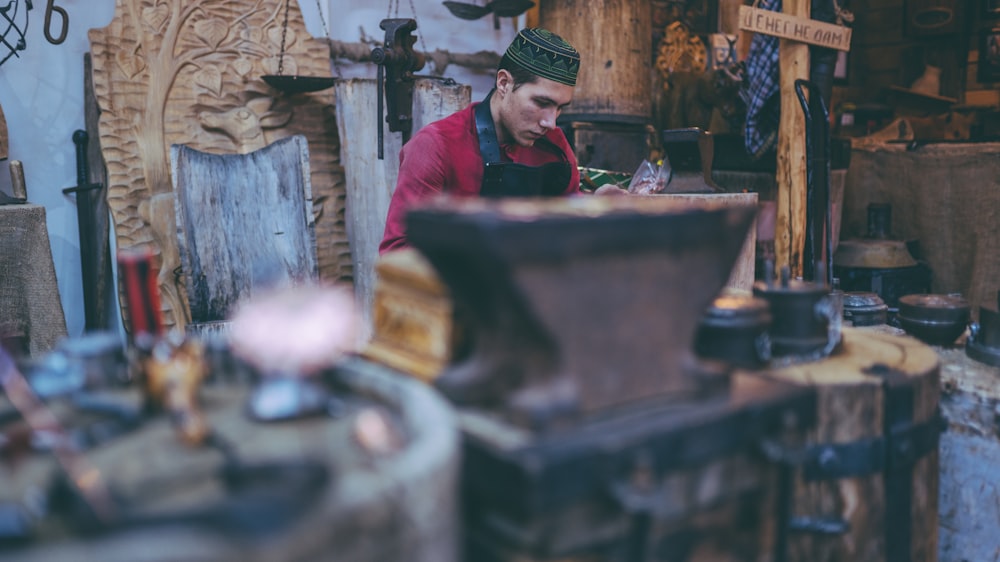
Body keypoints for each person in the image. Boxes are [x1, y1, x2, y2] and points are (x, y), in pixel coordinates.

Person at [379, 27, 584, 253]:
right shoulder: (436, 145)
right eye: (541, 103)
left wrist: (601, 211)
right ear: (504, 83)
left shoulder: (555, 145)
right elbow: (397, 252)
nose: (551, 123)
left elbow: (571, 226)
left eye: (559, 108)